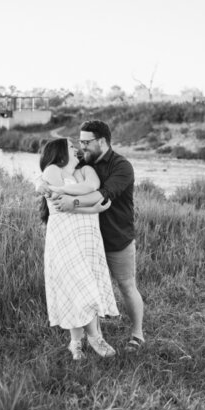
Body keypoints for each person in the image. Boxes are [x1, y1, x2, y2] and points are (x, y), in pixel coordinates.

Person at [50, 120, 146, 353]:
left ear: (101, 141)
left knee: (126, 285)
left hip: (116, 237)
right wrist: (41, 183)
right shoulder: (83, 161)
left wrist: (71, 202)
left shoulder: (122, 166)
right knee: (85, 287)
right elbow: (54, 169)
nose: (82, 147)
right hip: (85, 240)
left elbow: (103, 196)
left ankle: (137, 334)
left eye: (86, 142)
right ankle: (91, 337)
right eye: (80, 142)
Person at [38, 138, 118, 360]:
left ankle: (75, 343)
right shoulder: (52, 169)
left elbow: (91, 188)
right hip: (65, 238)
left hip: (87, 238)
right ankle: (95, 339)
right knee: (80, 288)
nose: (76, 150)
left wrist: (77, 200)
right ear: (60, 152)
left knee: (78, 290)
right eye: (71, 147)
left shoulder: (84, 171)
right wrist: (90, 205)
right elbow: (58, 201)